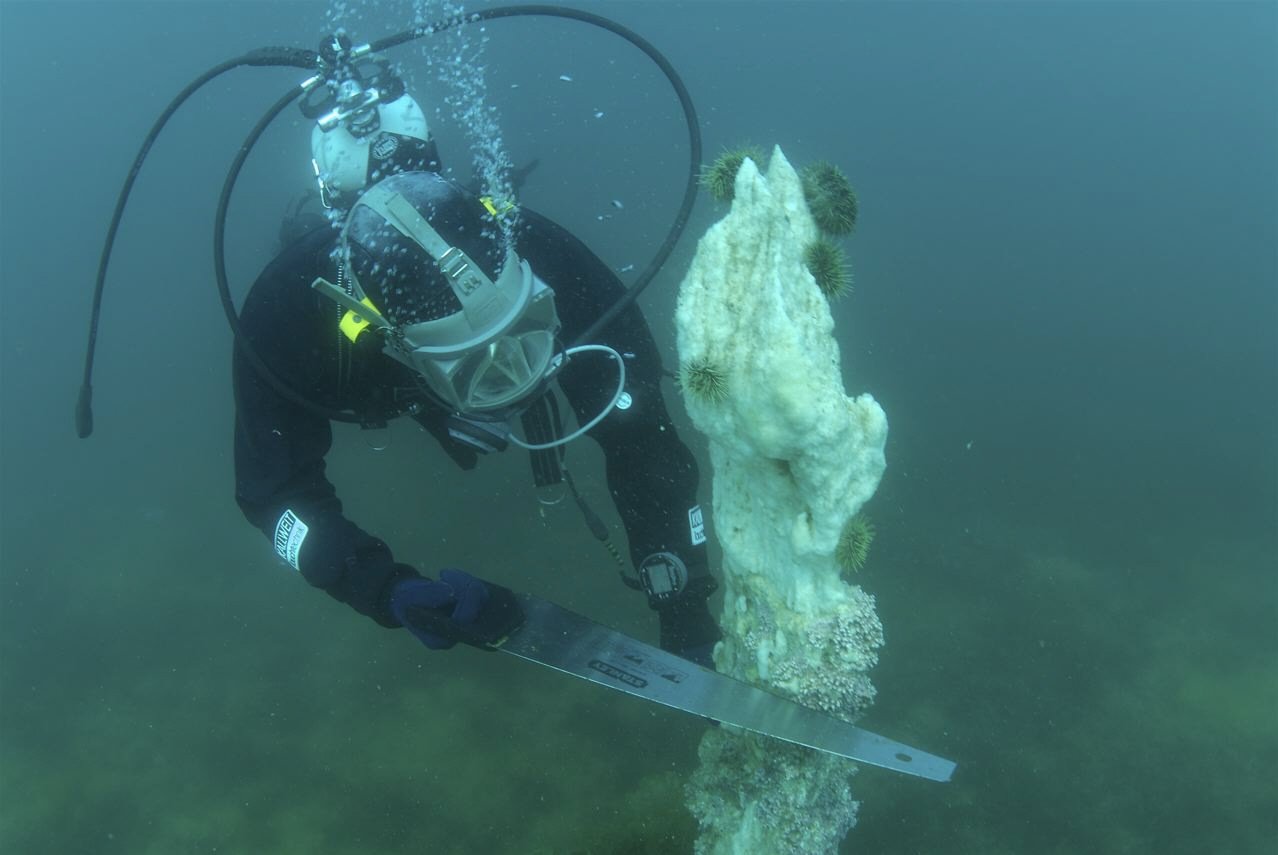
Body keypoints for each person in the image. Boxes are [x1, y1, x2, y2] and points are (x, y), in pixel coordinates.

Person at [232, 89, 720, 665]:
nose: (514, 375)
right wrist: (384, 589)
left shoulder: (541, 248)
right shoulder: (285, 318)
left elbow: (645, 439)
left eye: (527, 331)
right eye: (473, 366)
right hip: (369, 366)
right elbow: (276, 502)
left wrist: (680, 592)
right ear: (387, 340)